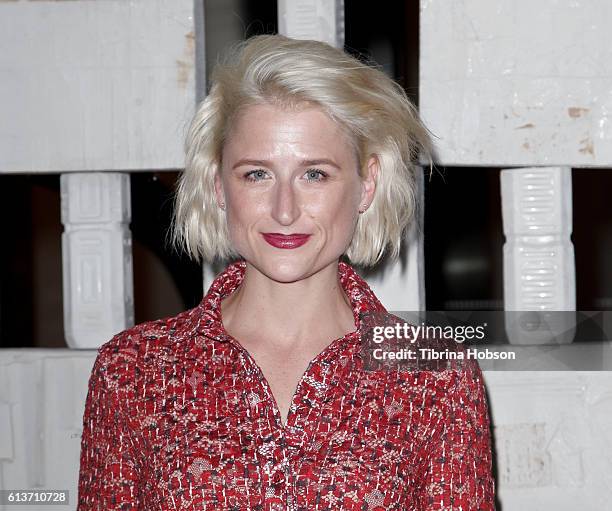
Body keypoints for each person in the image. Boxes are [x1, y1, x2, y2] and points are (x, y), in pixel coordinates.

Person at [77, 34, 496, 510]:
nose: (284, 210)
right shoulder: (132, 371)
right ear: (218, 185)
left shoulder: (436, 377)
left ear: (366, 185)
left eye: (315, 174)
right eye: (257, 174)